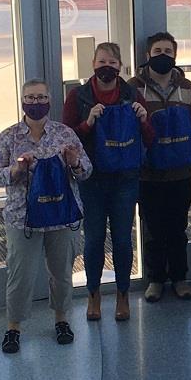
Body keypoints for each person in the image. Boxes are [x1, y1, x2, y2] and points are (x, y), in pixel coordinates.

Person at [0, 79, 92, 354]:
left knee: (62, 273)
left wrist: (74, 163)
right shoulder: (9, 136)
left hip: (62, 216)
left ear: (50, 100)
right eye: (31, 98)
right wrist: (15, 171)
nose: (36, 102)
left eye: (41, 97)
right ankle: (13, 328)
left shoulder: (65, 134)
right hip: (22, 218)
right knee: (20, 275)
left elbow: (86, 171)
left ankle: (62, 320)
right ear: (22, 101)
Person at [62, 42, 151, 322]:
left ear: (120, 66)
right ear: (93, 64)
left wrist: (144, 119)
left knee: (123, 240)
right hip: (92, 180)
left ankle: (123, 294)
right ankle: (94, 294)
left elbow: (150, 138)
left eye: (112, 63)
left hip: (125, 179)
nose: (107, 67)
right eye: (102, 62)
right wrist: (88, 122)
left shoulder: (132, 94)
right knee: (94, 240)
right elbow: (66, 138)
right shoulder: (78, 96)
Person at [128, 32, 191, 302]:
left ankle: (180, 279)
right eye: (158, 51)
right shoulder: (133, 87)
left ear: (175, 55)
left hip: (180, 171)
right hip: (148, 173)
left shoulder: (187, 86)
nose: (163, 56)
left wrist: (181, 124)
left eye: (168, 51)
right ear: (147, 55)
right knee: (153, 229)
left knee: (178, 227)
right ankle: (156, 280)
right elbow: (127, 124)